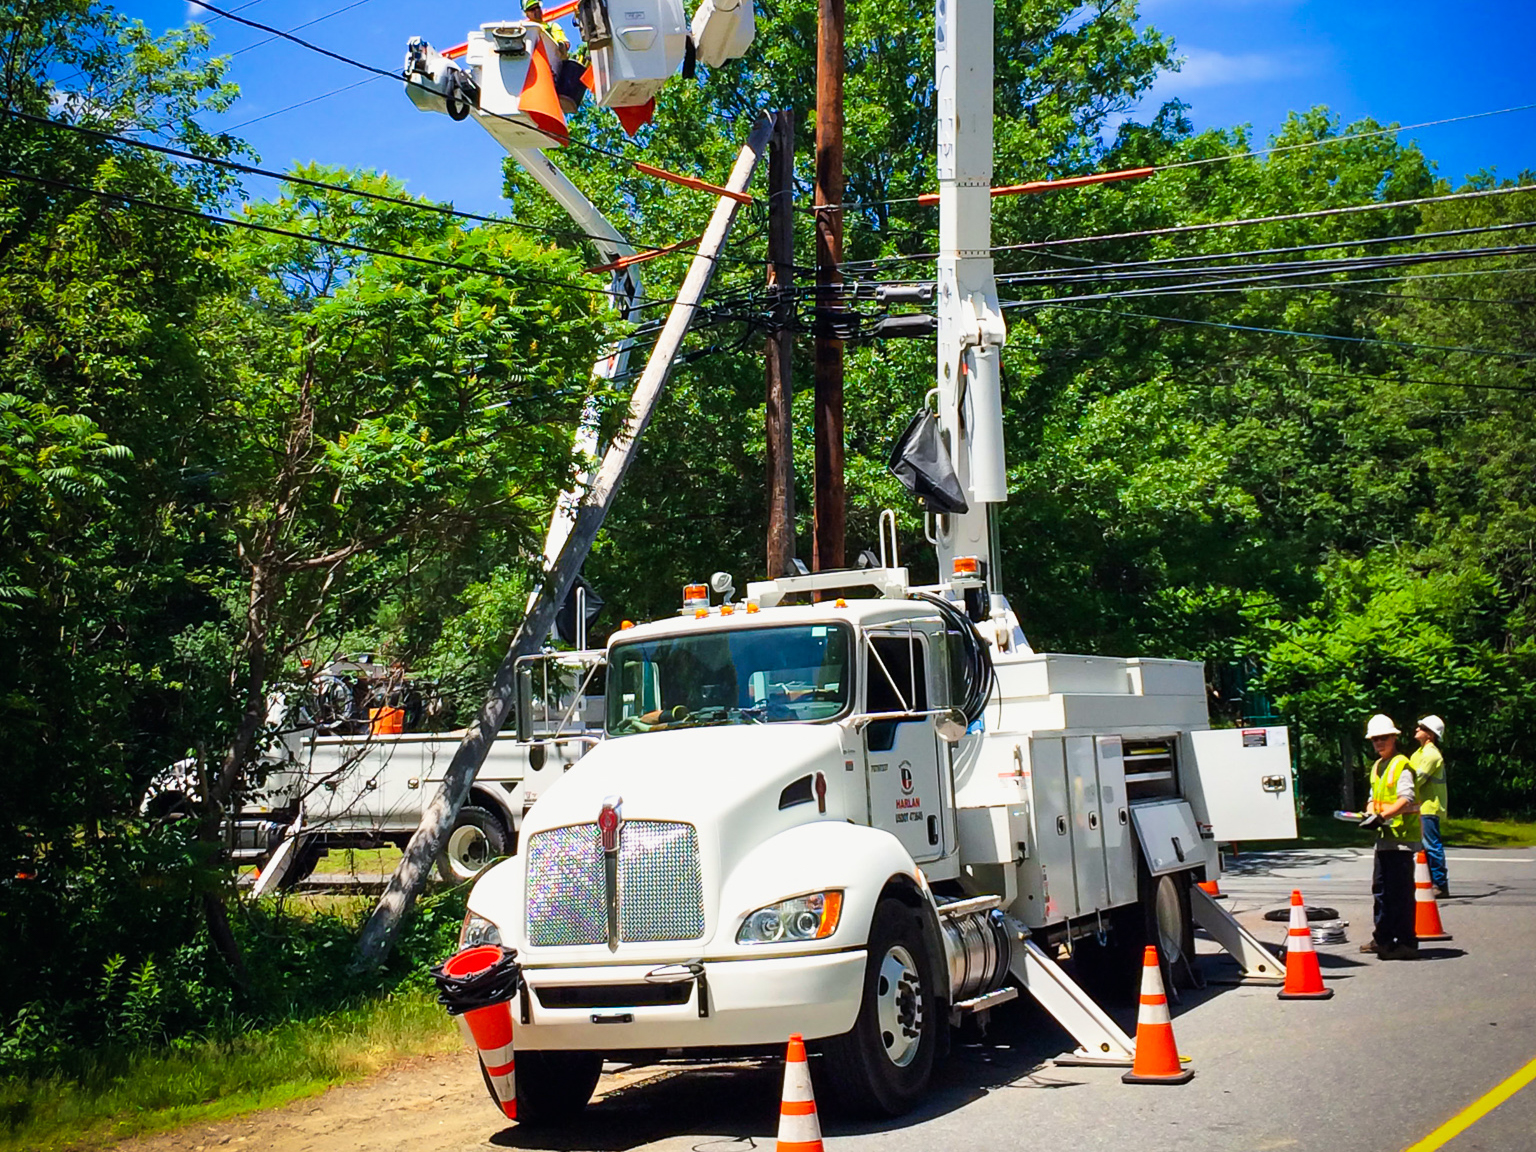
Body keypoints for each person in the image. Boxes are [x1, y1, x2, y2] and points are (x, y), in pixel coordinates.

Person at [1361, 713, 1420, 959]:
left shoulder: (1401, 764)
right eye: (1375, 739)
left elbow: (1407, 798)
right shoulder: (1377, 766)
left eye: (1383, 738)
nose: (1379, 743)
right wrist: (1368, 813)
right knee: (1382, 891)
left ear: (1394, 738)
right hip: (1384, 839)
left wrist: (1382, 817)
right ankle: (1383, 939)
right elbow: (1373, 798)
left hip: (1401, 840)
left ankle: (1405, 942)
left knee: (1400, 894)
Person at [1412, 714, 1450, 898]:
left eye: (1422, 728)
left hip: (1429, 807)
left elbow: (1416, 780)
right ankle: (1426, 881)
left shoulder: (1431, 755)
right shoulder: (1417, 753)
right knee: (1422, 847)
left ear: (1431, 735)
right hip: (1419, 807)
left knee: (1432, 846)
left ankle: (1440, 885)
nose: (1417, 729)